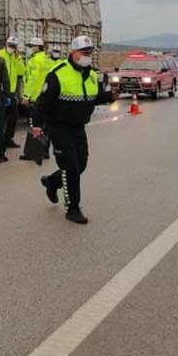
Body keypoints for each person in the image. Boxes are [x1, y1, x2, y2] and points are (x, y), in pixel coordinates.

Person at [33, 36, 116, 225]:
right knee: (71, 168)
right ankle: (72, 209)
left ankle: (52, 182)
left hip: (78, 125)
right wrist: (36, 125)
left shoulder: (92, 75)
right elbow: (42, 103)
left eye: (89, 52)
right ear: (73, 53)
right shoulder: (58, 73)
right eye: (84, 52)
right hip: (59, 126)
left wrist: (110, 96)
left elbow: (94, 97)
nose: (87, 56)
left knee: (81, 165)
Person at [0, 36, 26, 150]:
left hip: (11, 92)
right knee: (0, 117)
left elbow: (22, 71)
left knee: (14, 117)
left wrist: (17, 58)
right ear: (6, 44)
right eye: (10, 45)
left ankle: (8, 139)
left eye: (13, 46)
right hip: (0, 91)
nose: (11, 48)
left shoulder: (16, 57)